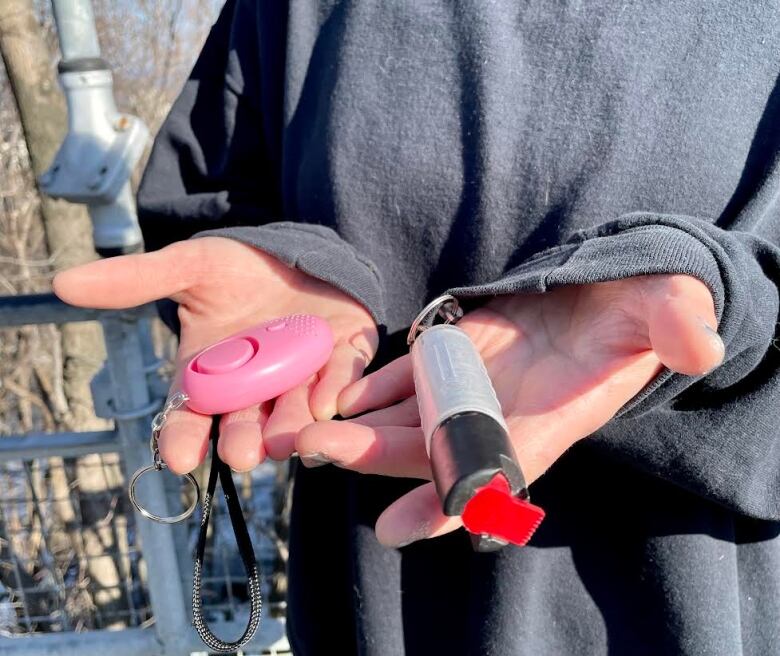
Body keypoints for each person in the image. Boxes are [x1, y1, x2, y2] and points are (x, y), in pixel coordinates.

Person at [53, 1, 780, 654]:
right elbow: (211, 206)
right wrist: (297, 268)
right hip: (370, 603)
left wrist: (723, 297)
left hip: (687, 613)